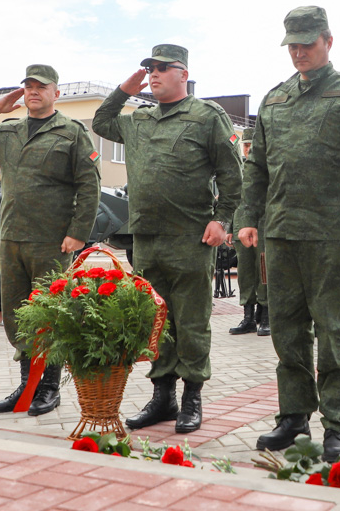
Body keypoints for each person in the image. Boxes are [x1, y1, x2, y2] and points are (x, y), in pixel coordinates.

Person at [240, 6, 340, 462]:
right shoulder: (275, 99)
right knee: (286, 330)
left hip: (331, 233)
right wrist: (248, 216)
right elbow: (257, 165)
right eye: (292, 45)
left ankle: (336, 426)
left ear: (328, 40)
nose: (298, 52)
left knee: (331, 329)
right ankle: (293, 417)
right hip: (282, 232)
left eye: (307, 43)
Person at [93, 44, 242, 434]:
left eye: (162, 68)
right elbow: (101, 122)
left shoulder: (206, 116)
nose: (154, 74)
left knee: (191, 321)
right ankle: (163, 396)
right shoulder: (139, 119)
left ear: (183, 74)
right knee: (155, 320)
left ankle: (192, 396)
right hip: (146, 236)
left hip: (191, 236)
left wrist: (221, 219)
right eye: (150, 69)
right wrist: (124, 90)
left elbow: (232, 173)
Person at [0, 64, 101, 416]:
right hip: (12, 237)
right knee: (17, 314)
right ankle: (28, 384)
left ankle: (49, 387)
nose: (33, 91)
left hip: (51, 240)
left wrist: (78, 232)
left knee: (49, 313)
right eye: (28, 86)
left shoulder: (72, 132)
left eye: (41, 86)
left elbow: (89, 185)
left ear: (56, 93)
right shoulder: (8, 130)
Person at [230, 127, 269, 337]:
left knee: (263, 271)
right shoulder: (238, 169)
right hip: (240, 227)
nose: (248, 149)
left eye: (251, 145)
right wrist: (229, 228)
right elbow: (232, 199)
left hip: (262, 226)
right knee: (245, 272)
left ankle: (266, 316)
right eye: (245, 146)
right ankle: (248, 318)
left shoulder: (267, 169)